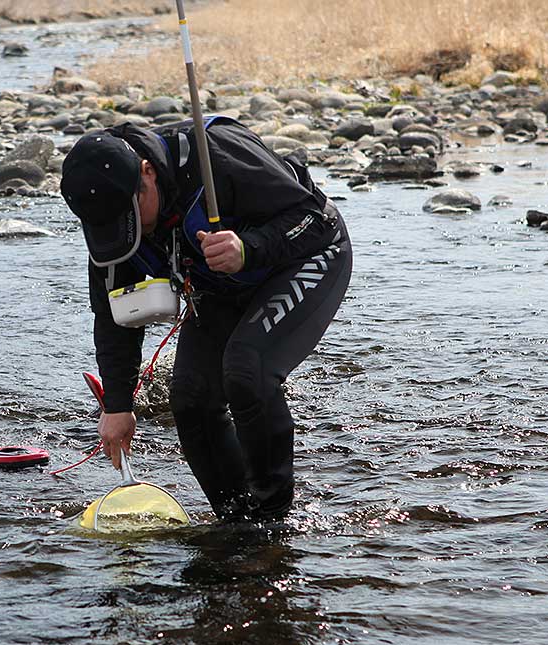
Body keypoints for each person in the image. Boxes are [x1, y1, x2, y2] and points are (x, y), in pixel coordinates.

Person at [60, 116, 352, 521]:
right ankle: (234, 519)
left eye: (130, 216)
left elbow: (311, 219)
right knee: (191, 399)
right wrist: (117, 404)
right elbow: (115, 317)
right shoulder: (111, 222)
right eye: (111, 226)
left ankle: (271, 522)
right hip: (220, 284)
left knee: (246, 371)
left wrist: (248, 248)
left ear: (147, 172)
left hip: (304, 256)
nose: (130, 232)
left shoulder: (216, 154)